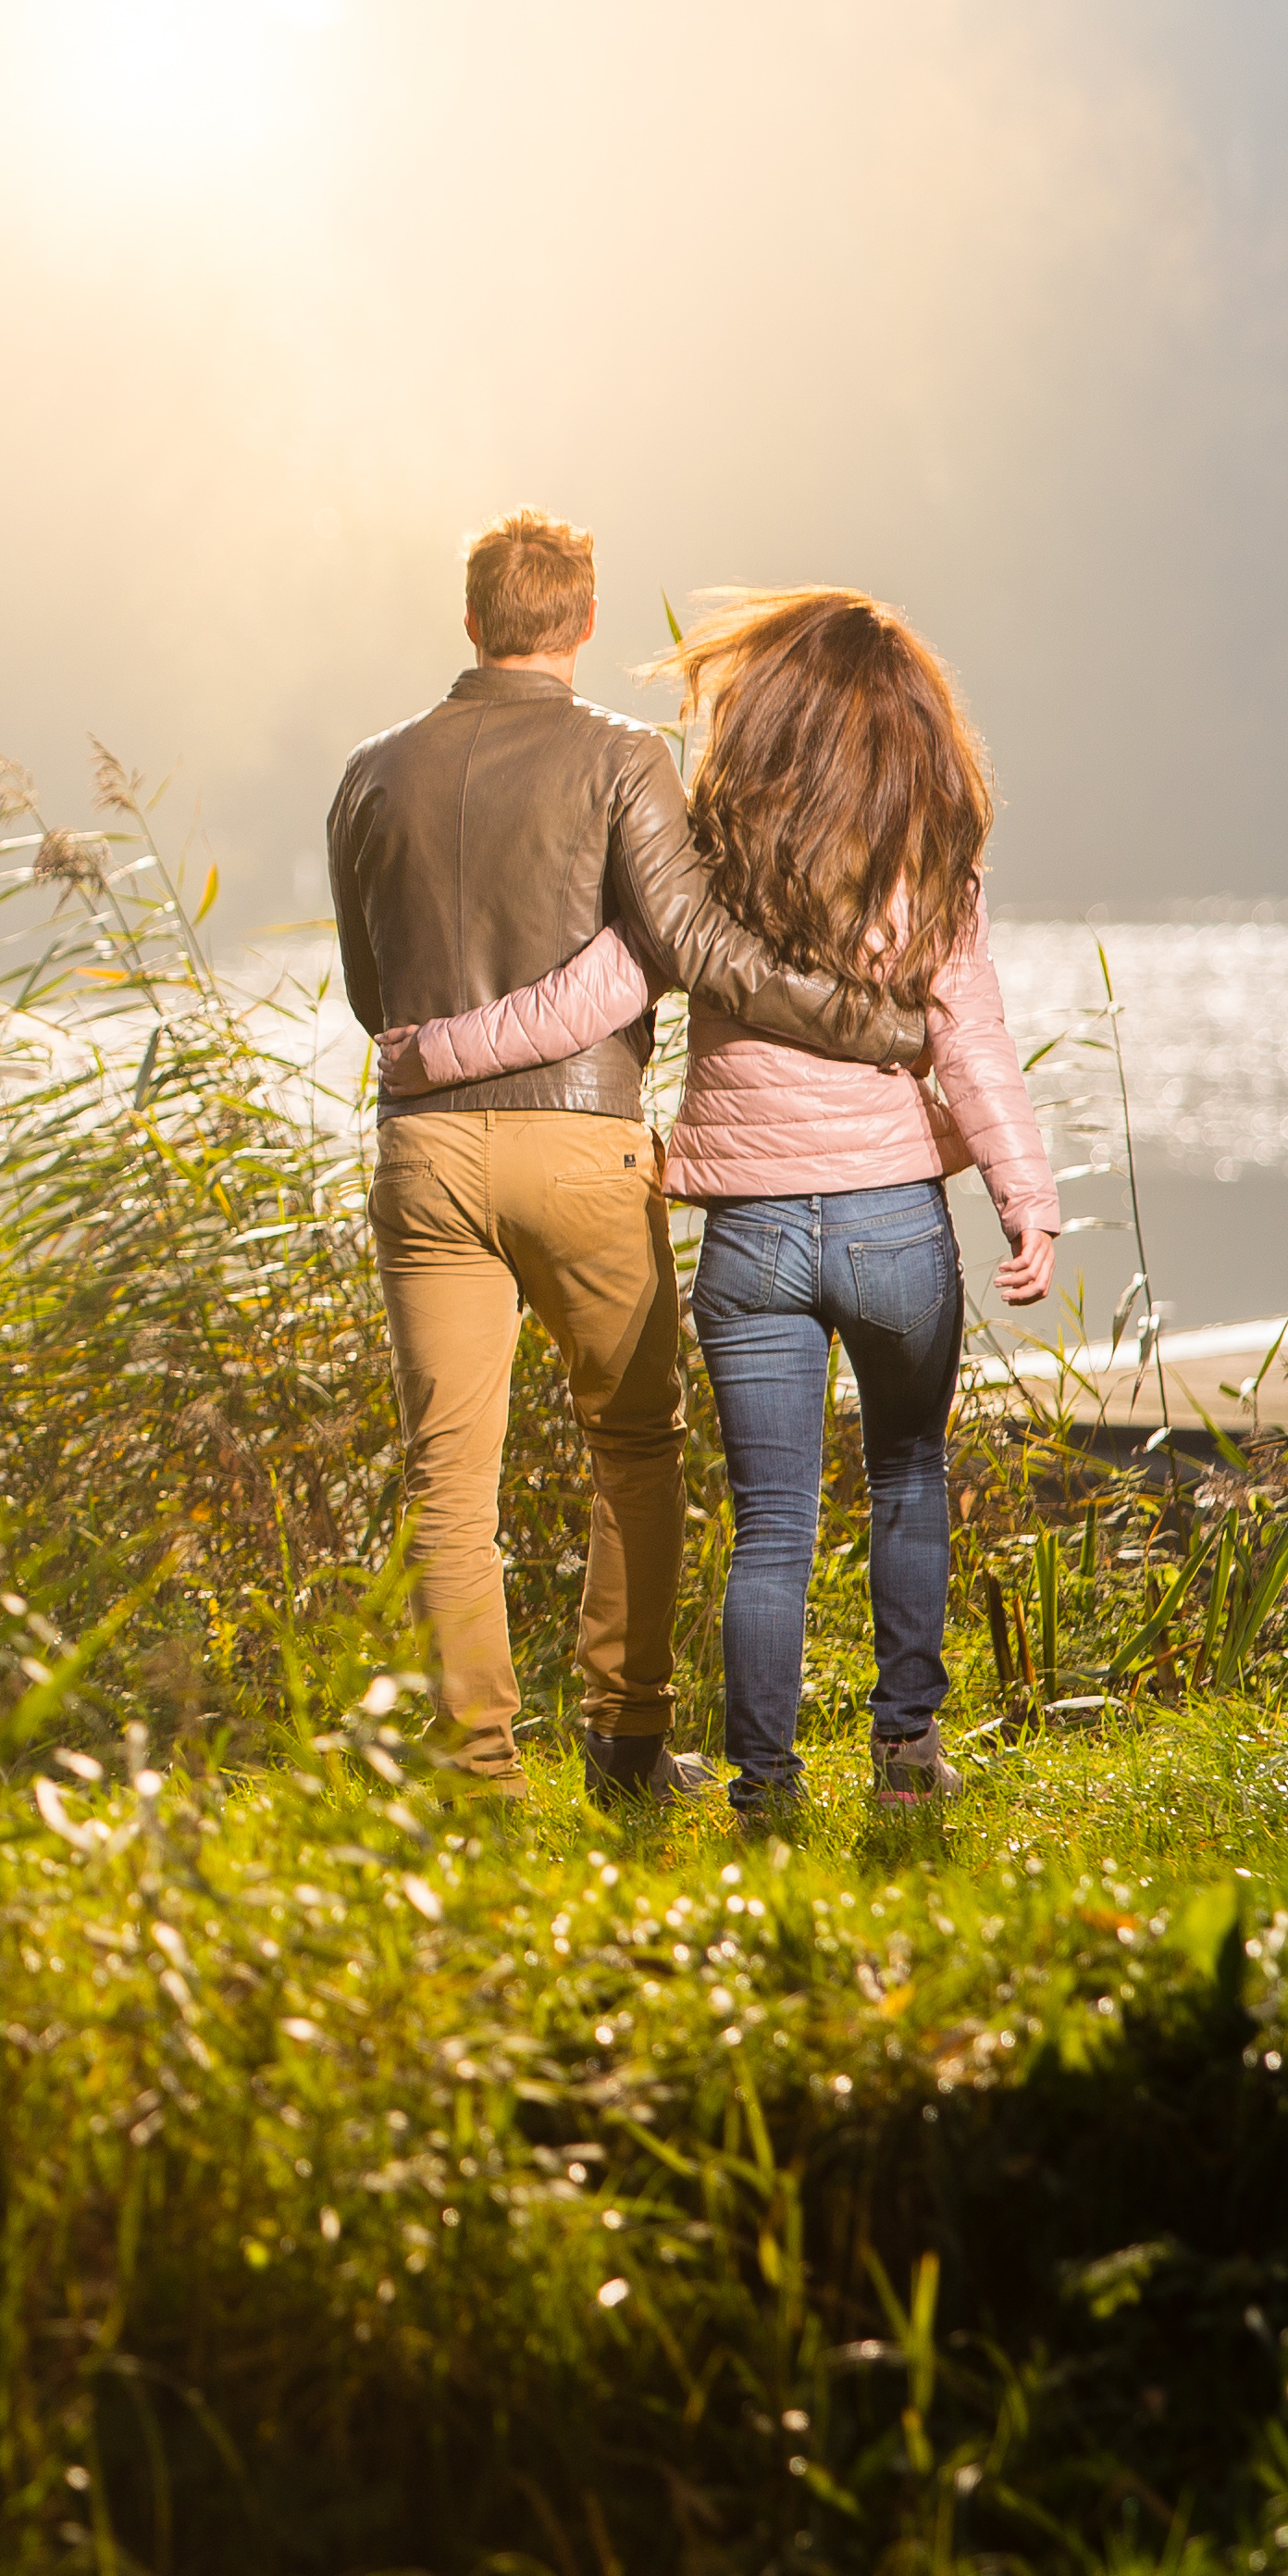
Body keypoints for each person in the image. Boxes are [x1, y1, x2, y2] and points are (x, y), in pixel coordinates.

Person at [375, 587, 1054, 1817]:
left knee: (771, 1528)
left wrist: (440, 1050)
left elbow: (591, 996)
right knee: (906, 1474)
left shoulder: (714, 853)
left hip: (751, 1240)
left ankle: (765, 1793)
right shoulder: (934, 849)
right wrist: (1025, 1193)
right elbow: (975, 1037)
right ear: (912, 724)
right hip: (895, 1216)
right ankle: (907, 1760)